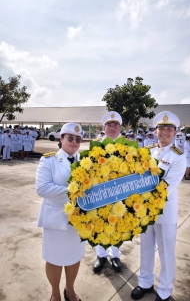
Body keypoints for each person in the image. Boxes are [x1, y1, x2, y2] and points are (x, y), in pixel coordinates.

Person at [131, 111, 186, 301]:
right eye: (161, 128)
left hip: (165, 212)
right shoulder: (148, 152)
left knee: (166, 252)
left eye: (169, 129)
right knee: (145, 248)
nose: (165, 132)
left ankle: (164, 290)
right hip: (145, 212)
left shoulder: (178, 157)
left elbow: (166, 187)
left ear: (175, 132)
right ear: (155, 131)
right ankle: (145, 282)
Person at [36, 122, 85, 301]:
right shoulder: (49, 160)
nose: (74, 142)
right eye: (70, 138)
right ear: (61, 139)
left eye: (78, 139)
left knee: (74, 256)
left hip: (79, 220)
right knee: (54, 258)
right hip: (55, 219)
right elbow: (42, 188)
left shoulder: (87, 161)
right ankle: (55, 293)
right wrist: (75, 194)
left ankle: (70, 290)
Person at [93, 111, 123, 273]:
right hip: (101, 192)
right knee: (99, 224)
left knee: (118, 224)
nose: (112, 128)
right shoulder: (96, 144)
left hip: (120, 193)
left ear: (120, 128)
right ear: (104, 128)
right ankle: (101, 255)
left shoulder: (127, 145)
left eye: (116, 125)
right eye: (109, 125)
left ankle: (115, 255)